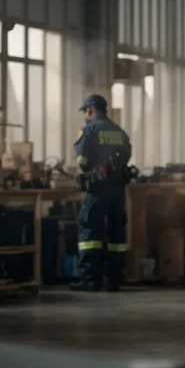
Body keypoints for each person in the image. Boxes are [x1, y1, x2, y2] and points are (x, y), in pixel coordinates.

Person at [70, 94, 132, 292]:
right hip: (118, 188)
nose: (85, 117)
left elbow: (82, 161)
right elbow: (126, 156)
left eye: (85, 113)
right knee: (116, 232)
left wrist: (89, 169)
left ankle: (90, 279)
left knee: (88, 227)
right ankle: (114, 278)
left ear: (91, 110)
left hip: (99, 188)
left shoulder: (88, 130)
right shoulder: (119, 131)